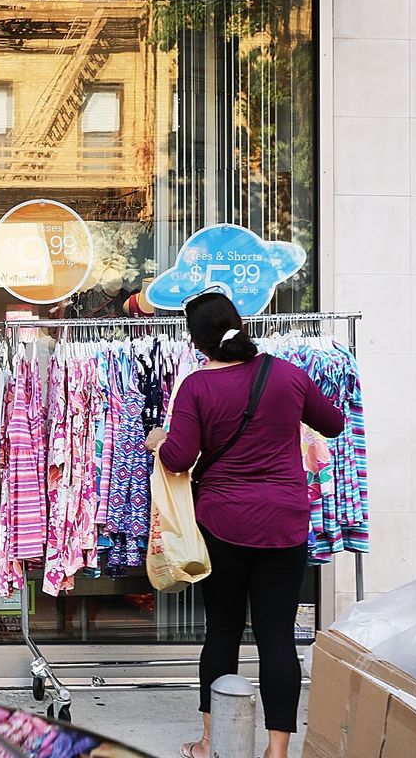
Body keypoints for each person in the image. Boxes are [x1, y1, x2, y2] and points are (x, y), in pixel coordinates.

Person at [144, 289, 344, 758]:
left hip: (223, 523)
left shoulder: (197, 386)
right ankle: (277, 752)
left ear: (197, 342)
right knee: (277, 635)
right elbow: (333, 423)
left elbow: (178, 459)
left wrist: (158, 439)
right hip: (284, 522)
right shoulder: (287, 374)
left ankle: (213, 742)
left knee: (223, 631)